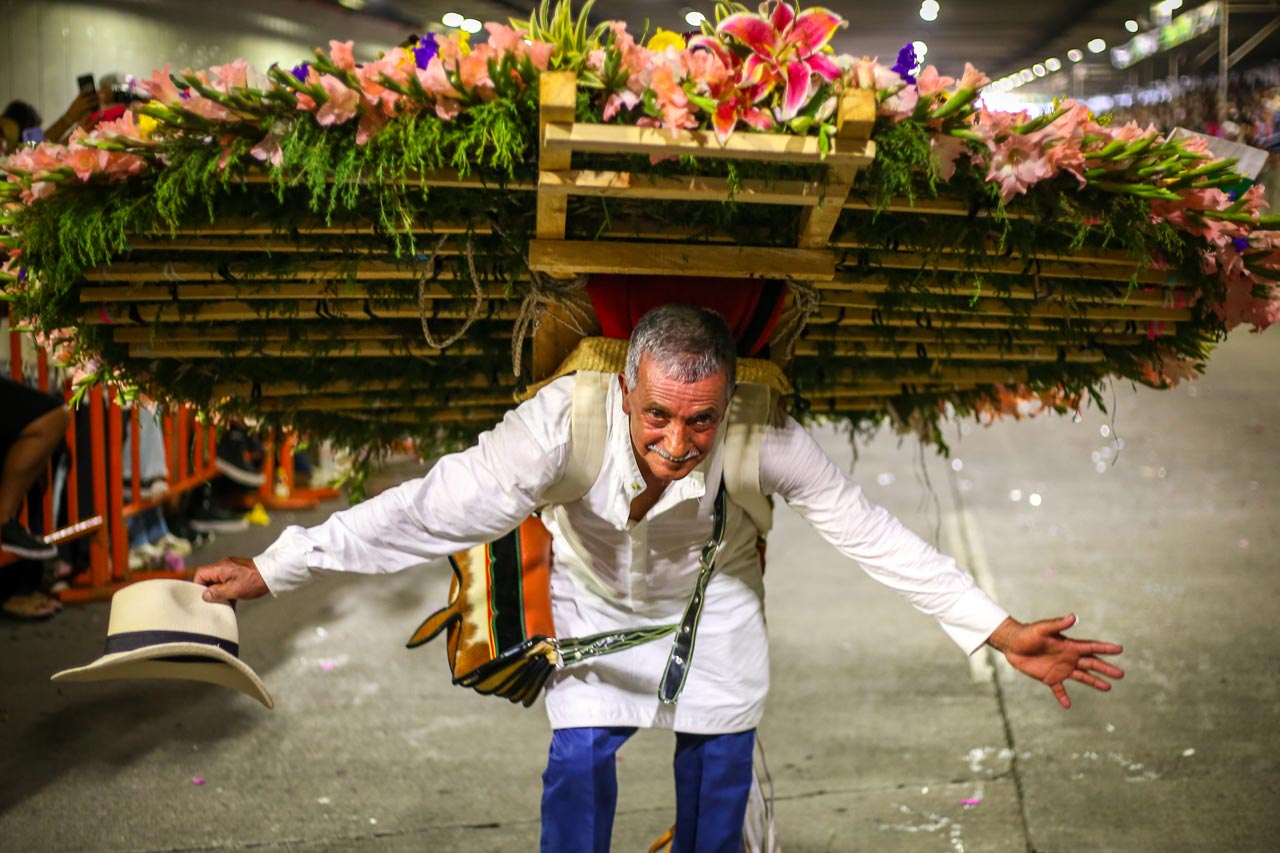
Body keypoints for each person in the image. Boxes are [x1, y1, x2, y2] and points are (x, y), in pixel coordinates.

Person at [194, 304, 1124, 851]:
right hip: (590, 601)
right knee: (577, 764)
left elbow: (875, 536)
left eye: (701, 421)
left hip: (713, 608)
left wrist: (1000, 631)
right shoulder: (557, 428)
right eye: (657, 417)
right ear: (627, 386)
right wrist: (278, 567)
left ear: (727, 401)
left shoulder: (767, 437)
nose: (678, 444)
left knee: (716, 786)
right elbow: (419, 509)